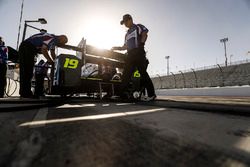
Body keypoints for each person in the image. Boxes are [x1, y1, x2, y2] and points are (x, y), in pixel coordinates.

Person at [111, 14, 156, 101]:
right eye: (124, 23)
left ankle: (152, 94)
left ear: (130, 19)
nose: (125, 24)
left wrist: (141, 45)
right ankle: (121, 95)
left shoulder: (138, 26)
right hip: (130, 55)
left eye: (125, 22)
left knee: (143, 73)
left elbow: (145, 34)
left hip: (139, 52)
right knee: (126, 75)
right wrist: (116, 48)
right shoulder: (126, 34)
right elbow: (125, 47)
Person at [18, 32, 68, 98]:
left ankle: (23, 92)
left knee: (27, 71)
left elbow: (52, 53)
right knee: (27, 71)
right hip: (27, 47)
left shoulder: (53, 41)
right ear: (61, 38)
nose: (62, 44)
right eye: (63, 42)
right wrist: (50, 61)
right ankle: (26, 93)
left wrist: (56, 62)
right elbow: (44, 50)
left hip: (28, 48)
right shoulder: (51, 38)